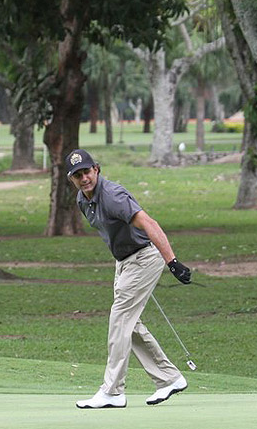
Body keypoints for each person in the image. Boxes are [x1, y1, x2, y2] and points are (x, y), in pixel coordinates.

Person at [65, 149, 192, 409]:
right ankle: (169, 378)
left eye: (87, 172)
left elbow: (149, 223)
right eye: (77, 175)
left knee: (119, 321)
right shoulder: (82, 199)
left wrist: (172, 262)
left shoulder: (113, 196)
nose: (84, 178)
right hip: (124, 262)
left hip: (144, 258)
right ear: (72, 179)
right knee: (129, 326)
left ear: (96, 169)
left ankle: (112, 391)